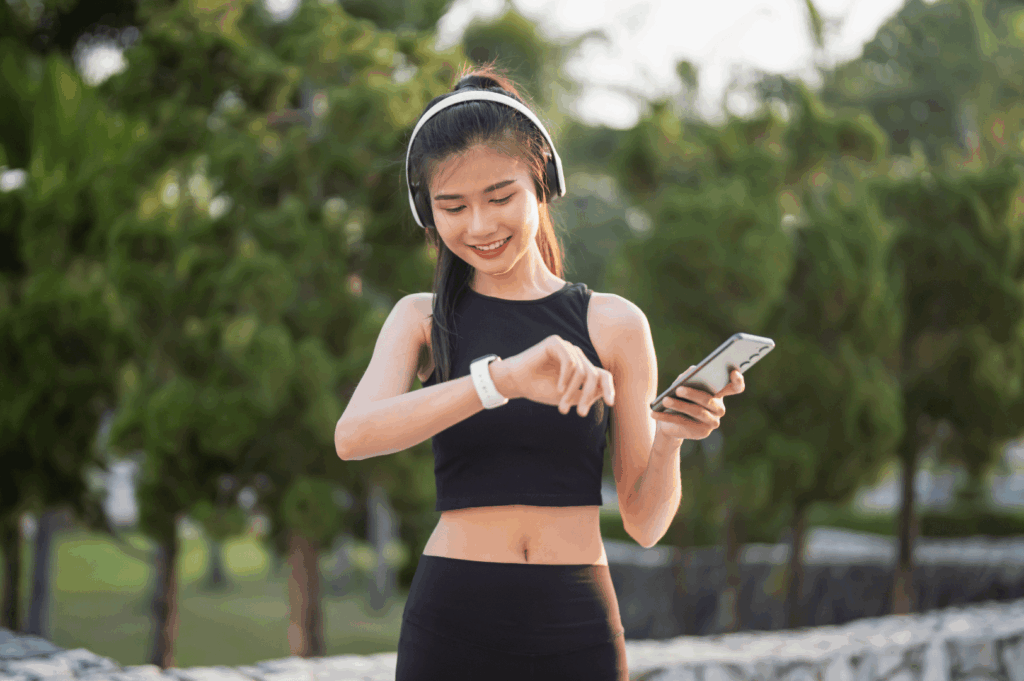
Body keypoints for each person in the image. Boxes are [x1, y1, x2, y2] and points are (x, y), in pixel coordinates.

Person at [334, 62, 746, 681]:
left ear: (542, 180)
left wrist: (669, 440)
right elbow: (354, 435)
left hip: (575, 619)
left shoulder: (615, 324)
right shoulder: (421, 319)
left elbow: (645, 524)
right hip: (454, 616)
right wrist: (500, 380)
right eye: (453, 207)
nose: (479, 226)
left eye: (500, 197)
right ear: (427, 212)